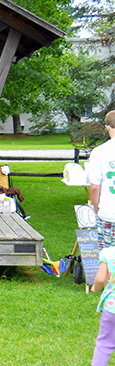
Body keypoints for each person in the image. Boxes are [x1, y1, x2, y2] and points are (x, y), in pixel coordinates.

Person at [89, 110, 115, 248]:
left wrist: (96, 209)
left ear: (107, 127)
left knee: (107, 259)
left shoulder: (99, 152)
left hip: (108, 213)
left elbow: (94, 187)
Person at [91, 245, 115, 365]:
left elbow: (100, 279)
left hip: (111, 308)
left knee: (104, 344)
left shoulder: (108, 253)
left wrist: (95, 288)